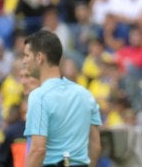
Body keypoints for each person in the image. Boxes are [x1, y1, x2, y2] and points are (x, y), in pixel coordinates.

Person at [22, 30, 102, 167]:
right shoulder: (85, 94)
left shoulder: (39, 96)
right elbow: (95, 147)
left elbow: (38, 150)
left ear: (39, 57)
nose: (24, 60)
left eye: (26, 55)